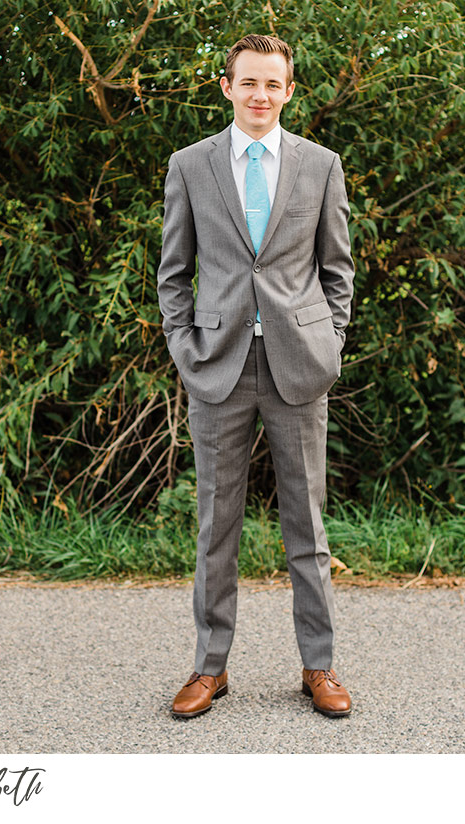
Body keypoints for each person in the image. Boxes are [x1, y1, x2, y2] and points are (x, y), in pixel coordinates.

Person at [157, 34, 355, 719]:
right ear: (227, 87)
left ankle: (319, 665)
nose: (260, 95)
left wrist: (329, 343)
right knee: (217, 527)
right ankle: (210, 667)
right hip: (217, 368)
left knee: (307, 527)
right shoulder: (190, 165)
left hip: (298, 367)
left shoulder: (321, 166)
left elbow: (338, 272)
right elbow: (173, 275)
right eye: (249, 83)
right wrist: (186, 347)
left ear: (289, 90)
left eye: (273, 84)